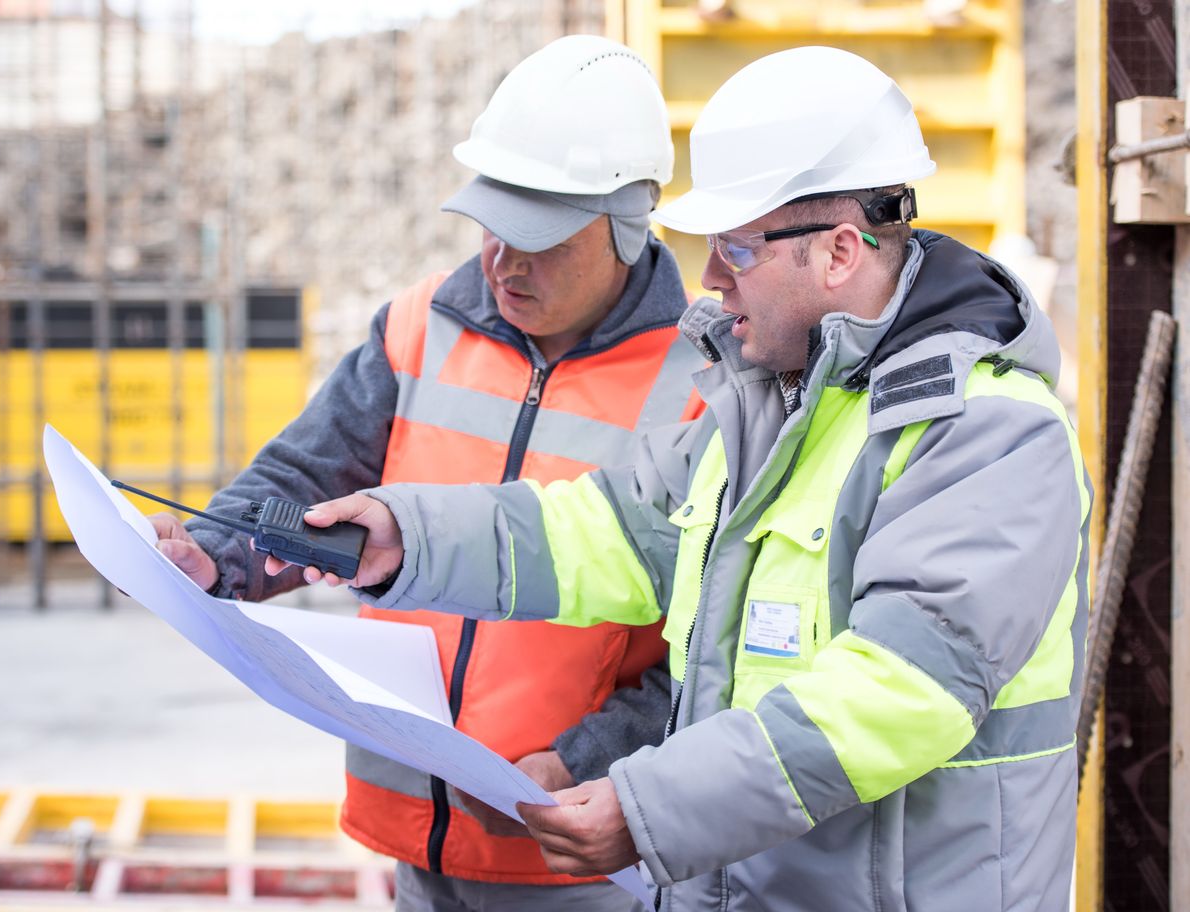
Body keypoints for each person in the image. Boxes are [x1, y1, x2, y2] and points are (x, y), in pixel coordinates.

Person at [288, 47, 1093, 911]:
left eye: (736, 249)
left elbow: (896, 693)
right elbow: (607, 530)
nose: (707, 278)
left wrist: (649, 808)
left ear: (839, 253)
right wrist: (404, 535)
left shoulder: (989, 432)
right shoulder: (772, 411)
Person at [148, 35, 705, 912]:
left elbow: (713, 654)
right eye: (493, 227)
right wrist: (215, 558)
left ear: (630, 221)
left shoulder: (703, 387)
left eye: (541, 240)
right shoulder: (418, 329)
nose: (504, 262)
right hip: (417, 845)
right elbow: (304, 472)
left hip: (582, 861)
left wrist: (585, 757)